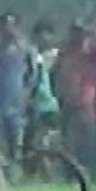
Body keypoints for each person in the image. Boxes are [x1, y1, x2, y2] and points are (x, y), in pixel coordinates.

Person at [53, 21, 96, 179]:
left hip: (87, 106)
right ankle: (70, 177)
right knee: (70, 146)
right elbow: (55, 75)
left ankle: (92, 176)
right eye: (75, 33)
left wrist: (92, 30)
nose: (77, 37)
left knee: (89, 144)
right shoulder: (64, 55)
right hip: (68, 107)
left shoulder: (90, 54)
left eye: (80, 33)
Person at [0, 12, 31, 177]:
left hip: (17, 104)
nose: (7, 29)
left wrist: (27, 94)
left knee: (16, 144)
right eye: (3, 25)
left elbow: (33, 76)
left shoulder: (25, 50)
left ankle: (16, 174)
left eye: (10, 25)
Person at [25, 19, 62, 179]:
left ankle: (49, 176)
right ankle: (41, 175)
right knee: (35, 143)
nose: (44, 38)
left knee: (44, 142)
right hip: (34, 105)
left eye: (47, 34)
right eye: (40, 35)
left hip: (50, 105)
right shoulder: (30, 55)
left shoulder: (57, 56)